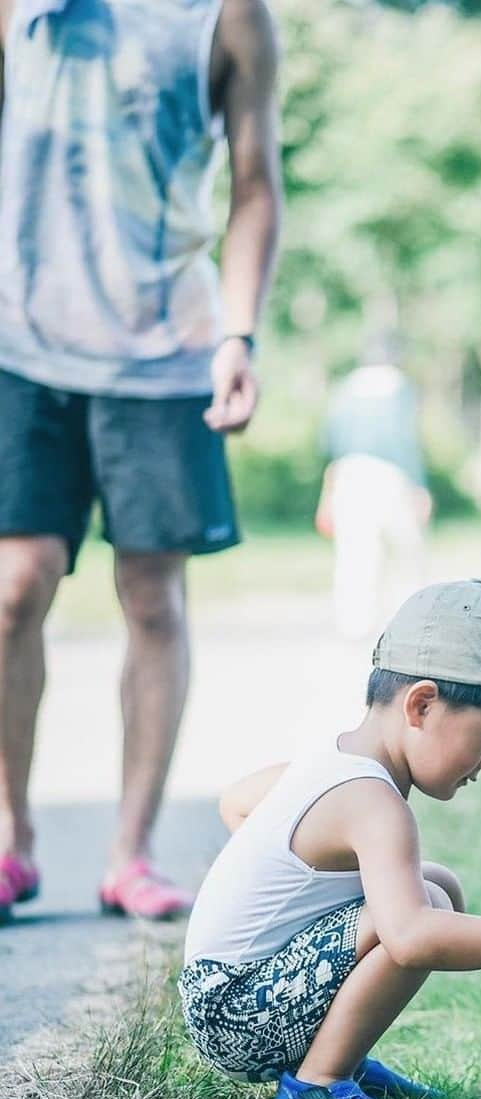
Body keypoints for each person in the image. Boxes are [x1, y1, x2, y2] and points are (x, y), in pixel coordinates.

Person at [0, 0, 282, 922]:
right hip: (20, 345)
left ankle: (128, 851)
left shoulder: (228, 16)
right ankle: (12, 838)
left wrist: (239, 333)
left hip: (165, 350)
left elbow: (253, 184)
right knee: (14, 585)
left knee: (152, 596)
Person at [178, 580, 481, 1099]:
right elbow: (410, 937)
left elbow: (236, 803)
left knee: (437, 885)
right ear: (422, 704)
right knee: (422, 906)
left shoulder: (331, 759)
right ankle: (319, 1085)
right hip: (237, 1016)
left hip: (219, 997)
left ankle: (341, 1053)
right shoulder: (375, 803)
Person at [314, 340, 432, 641]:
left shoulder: (345, 388)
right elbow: (406, 441)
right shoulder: (398, 387)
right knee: (407, 549)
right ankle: (410, 623)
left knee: (356, 553)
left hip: (349, 472)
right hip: (390, 473)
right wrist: (419, 485)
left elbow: (330, 440)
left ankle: (355, 624)